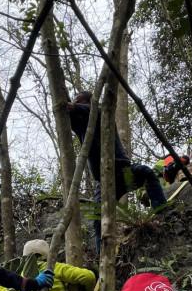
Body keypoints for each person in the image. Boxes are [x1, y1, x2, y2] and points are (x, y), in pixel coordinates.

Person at [67, 92, 166, 251]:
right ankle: (102, 255)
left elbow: (88, 110)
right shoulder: (80, 125)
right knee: (97, 217)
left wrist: (72, 105)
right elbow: (69, 115)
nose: (75, 103)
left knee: (146, 173)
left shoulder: (101, 114)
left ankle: (162, 212)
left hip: (121, 170)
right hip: (103, 181)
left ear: (88, 103)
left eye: (78, 101)